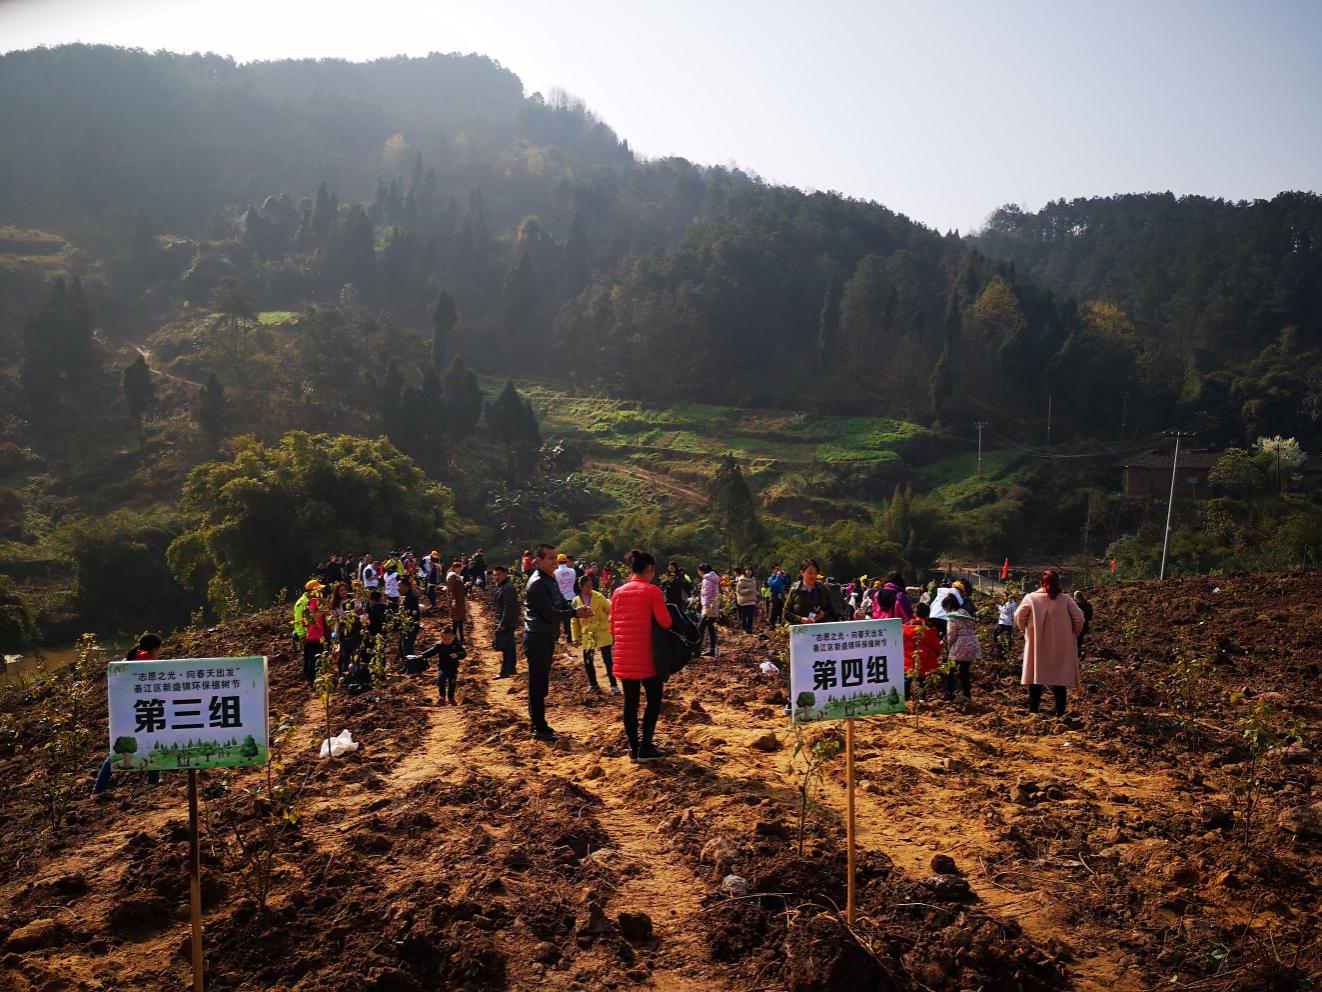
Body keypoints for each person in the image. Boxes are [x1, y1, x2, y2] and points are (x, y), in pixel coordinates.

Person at [523, 543, 592, 742]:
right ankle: (538, 727)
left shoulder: (549, 579)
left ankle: (540, 723)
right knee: (537, 685)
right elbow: (550, 613)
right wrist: (574, 613)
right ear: (539, 560)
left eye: (556, 558)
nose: (555, 562)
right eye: (551, 559)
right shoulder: (537, 583)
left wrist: (579, 609)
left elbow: (561, 603)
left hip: (545, 637)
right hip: (537, 637)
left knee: (542, 683)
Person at [610, 549, 673, 762]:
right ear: (650, 569)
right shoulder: (652, 591)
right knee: (654, 699)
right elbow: (665, 622)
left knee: (630, 703)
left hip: (624, 655)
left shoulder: (618, 592)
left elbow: (612, 628)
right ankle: (646, 746)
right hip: (647, 657)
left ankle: (633, 749)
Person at [94, 635, 165, 793]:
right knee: (120, 753)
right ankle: (98, 790)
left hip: (123, 711)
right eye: (160, 649)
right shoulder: (146, 661)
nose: (160, 652)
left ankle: (99, 789)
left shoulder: (132, 658)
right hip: (135, 713)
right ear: (154, 648)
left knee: (145, 744)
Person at [1015, 570, 1085, 717]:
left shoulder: (1031, 598)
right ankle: (1060, 713)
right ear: (1058, 582)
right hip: (1061, 646)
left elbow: (1018, 616)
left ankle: (1033, 711)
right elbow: (1079, 619)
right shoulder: (1065, 599)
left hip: (1036, 645)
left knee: (1035, 679)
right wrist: (1072, 634)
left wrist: (1025, 630)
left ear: (1041, 583)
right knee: (1059, 681)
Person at [572, 573, 618, 694]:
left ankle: (614, 685)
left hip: (602, 631)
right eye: (587, 586)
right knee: (588, 660)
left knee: (608, 660)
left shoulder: (598, 597)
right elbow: (574, 621)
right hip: (589, 634)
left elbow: (610, 609)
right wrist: (575, 637)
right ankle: (594, 684)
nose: (589, 588)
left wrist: (611, 620)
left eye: (591, 585)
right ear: (581, 587)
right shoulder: (576, 601)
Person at [942, 594, 980, 700]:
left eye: (945, 609)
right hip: (971, 644)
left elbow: (951, 634)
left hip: (959, 646)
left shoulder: (952, 617)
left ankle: (949, 693)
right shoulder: (965, 613)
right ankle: (967, 695)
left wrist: (949, 647)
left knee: (950, 669)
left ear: (948, 606)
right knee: (964, 671)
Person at [418, 626, 467, 705]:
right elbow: (432, 652)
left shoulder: (457, 645)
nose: (447, 641)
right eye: (444, 639)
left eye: (449, 639)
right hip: (442, 667)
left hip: (453, 668)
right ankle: (442, 697)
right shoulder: (439, 645)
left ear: (453, 637)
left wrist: (457, 654)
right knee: (441, 680)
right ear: (441, 638)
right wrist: (422, 655)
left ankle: (451, 698)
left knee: (452, 683)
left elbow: (464, 653)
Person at [902, 603, 942, 701]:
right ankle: (921, 700)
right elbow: (936, 648)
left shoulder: (904, 628)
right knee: (921, 682)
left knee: (906, 681)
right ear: (928, 615)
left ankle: (904, 701)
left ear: (914, 614)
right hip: (923, 663)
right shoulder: (930, 630)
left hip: (906, 663)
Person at [785, 559, 839, 625]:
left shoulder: (822, 589)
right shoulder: (794, 590)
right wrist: (800, 619)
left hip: (818, 631)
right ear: (802, 573)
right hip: (800, 631)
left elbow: (832, 611)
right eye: (810, 572)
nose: (813, 576)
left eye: (815, 573)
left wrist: (823, 614)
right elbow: (786, 613)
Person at [490, 564, 519, 679]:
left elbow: (509, 607)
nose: (496, 577)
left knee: (505, 646)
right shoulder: (503, 586)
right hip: (505, 620)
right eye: (495, 575)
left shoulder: (508, 588)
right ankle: (511, 668)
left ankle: (505, 671)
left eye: (499, 575)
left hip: (506, 622)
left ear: (505, 574)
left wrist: (503, 623)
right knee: (510, 645)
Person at [302, 581, 327, 685]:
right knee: (315, 659)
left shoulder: (314, 603)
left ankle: (311, 678)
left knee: (313, 659)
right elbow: (311, 613)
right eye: (318, 589)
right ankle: (312, 679)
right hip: (315, 637)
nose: (321, 591)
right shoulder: (313, 601)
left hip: (314, 636)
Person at [696, 562, 720, 657]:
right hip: (713, 608)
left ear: (702, 571)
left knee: (700, 629)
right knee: (711, 628)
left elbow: (707, 595)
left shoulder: (707, 580)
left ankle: (696, 650)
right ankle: (713, 650)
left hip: (708, 609)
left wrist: (705, 609)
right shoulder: (713, 579)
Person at [554, 553, 578, 641]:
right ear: (566, 561)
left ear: (558, 562)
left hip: (561, 597)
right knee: (570, 619)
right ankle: (570, 638)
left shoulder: (555, 572)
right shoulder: (572, 571)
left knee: (559, 619)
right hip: (571, 596)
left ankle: (557, 638)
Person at [445, 560, 468, 645]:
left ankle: (461, 638)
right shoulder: (453, 577)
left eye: (460, 567)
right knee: (456, 622)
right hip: (456, 601)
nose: (460, 569)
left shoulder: (457, 577)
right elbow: (452, 590)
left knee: (460, 621)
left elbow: (457, 588)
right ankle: (455, 639)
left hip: (460, 601)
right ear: (454, 568)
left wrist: (464, 586)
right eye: (458, 567)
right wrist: (454, 600)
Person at [399, 575, 421, 659]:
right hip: (405, 625)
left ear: (405, 587)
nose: (398, 588)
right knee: (403, 647)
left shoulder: (411, 597)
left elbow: (412, 614)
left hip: (410, 626)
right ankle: (406, 666)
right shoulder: (404, 596)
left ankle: (411, 667)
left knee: (408, 648)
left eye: (399, 587)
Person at [735, 565, 759, 634]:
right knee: (744, 616)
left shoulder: (753, 579)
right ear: (745, 571)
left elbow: (754, 589)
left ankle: (750, 629)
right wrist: (747, 590)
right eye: (747, 570)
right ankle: (745, 629)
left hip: (752, 600)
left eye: (750, 570)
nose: (748, 572)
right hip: (744, 600)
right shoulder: (741, 580)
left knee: (751, 616)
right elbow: (738, 590)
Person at [994, 590, 1019, 658]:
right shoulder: (1014, 603)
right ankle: (1009, 651)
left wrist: (998, 606)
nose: (1004, 597)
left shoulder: (1008, 604)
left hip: (1004, 622)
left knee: (994, 634)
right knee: (1008, 636)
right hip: (1010, 623)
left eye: (1005, 596)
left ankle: (999, 648)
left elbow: (1005, 611)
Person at [1073, 590, 1094, 660]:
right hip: (1085, 626)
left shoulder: (1075, 606)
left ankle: (1076, 654)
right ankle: (1078, 653)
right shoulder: (1089, 605)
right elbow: (1090, 617)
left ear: (1075, 597)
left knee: (1075, 640)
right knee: (1080, 640)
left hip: (1075, 626)